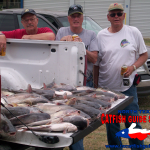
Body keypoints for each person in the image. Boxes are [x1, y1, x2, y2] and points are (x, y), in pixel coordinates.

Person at [94, 3, 148, 150]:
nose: (116, 16)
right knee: (112, 126)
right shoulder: (101, 35)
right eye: (113, 14)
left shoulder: (133, 32)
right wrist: (96, 86)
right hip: (107, 89)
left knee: (133, 123)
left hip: (127, 87)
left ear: (124, 15)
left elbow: (144, 54)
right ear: (108, 17)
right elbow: (97, 64)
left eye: (119, 13)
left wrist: (133, 67)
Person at [56, 4, 98, 88]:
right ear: (68, 18)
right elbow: (55, 58)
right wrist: (63, 43)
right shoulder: (61, 32)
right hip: (65, 81)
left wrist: (81, 47)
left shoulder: (91, 34)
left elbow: (94, 59)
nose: (76, 19)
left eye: (78, 16)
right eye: (73, 16)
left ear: (82, 18)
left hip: (85, 81)